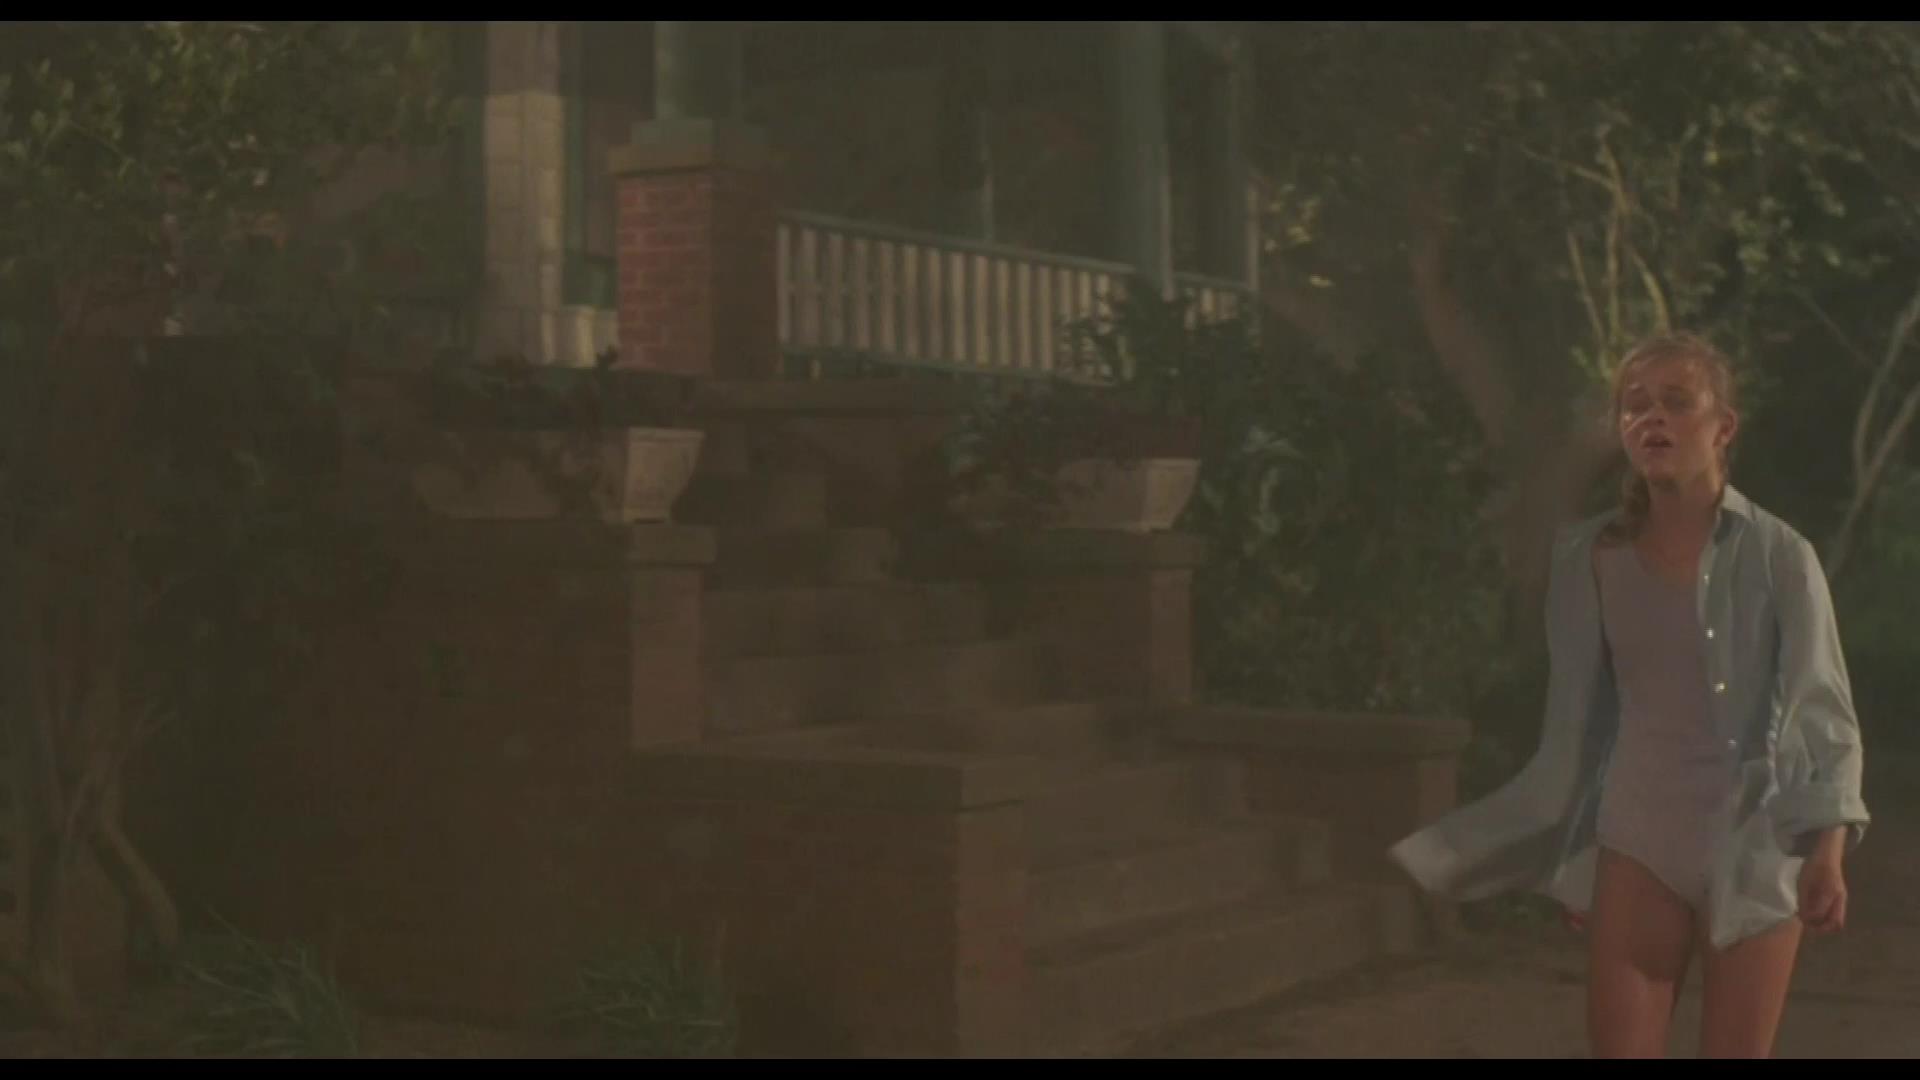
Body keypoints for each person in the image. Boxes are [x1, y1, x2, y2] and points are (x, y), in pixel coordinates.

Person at [1389, 332, 1870, 1058]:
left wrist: (1827, 851)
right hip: (1639, 836)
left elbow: (1824, 711)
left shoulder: (1781, 557)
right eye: (1635, 405)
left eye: (1676, 402)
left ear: (1723, 427)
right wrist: (1576, 856)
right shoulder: (1591, 558)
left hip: (1756, 842)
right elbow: (1579, 724)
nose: (1653, 419)